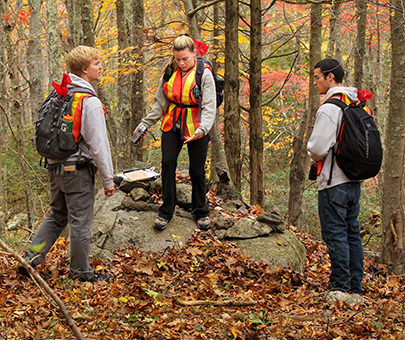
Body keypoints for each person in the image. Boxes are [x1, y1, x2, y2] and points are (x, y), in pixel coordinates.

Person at [19, 46, 115, 283]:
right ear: (84, 69)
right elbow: (99, 145)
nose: (100, 66)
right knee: (80, 223)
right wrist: (108, 180)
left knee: (56, 216)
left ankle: (30, 258)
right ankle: (81, 273)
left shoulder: (60, 94)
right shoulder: (88, 101)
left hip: (54, 168)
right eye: (96, 63)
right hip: (77, 172)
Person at [133, 35, 216, 231]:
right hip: (172, 123)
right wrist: (145, 124)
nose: (181, 63)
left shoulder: (204, 74)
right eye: (178, 59)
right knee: (168, 163)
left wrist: (202, 129)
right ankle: (166, 210)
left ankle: (201, 210)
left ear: (194, 53)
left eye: (185, 59)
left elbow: (210, 105)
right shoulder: (170, 71)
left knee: (197, 170)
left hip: (197, 125)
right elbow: (160, 104)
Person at [307, 58, 364, 294]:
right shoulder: (355, 104)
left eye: (317, 77)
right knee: (352, 232)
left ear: (331, 77)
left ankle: (340, 285)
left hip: (333, 182)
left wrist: (312, 154)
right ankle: (355, 285)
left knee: (336, 233)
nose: (314, 82)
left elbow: (317, 147)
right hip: (354, 180)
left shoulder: (330, 107)